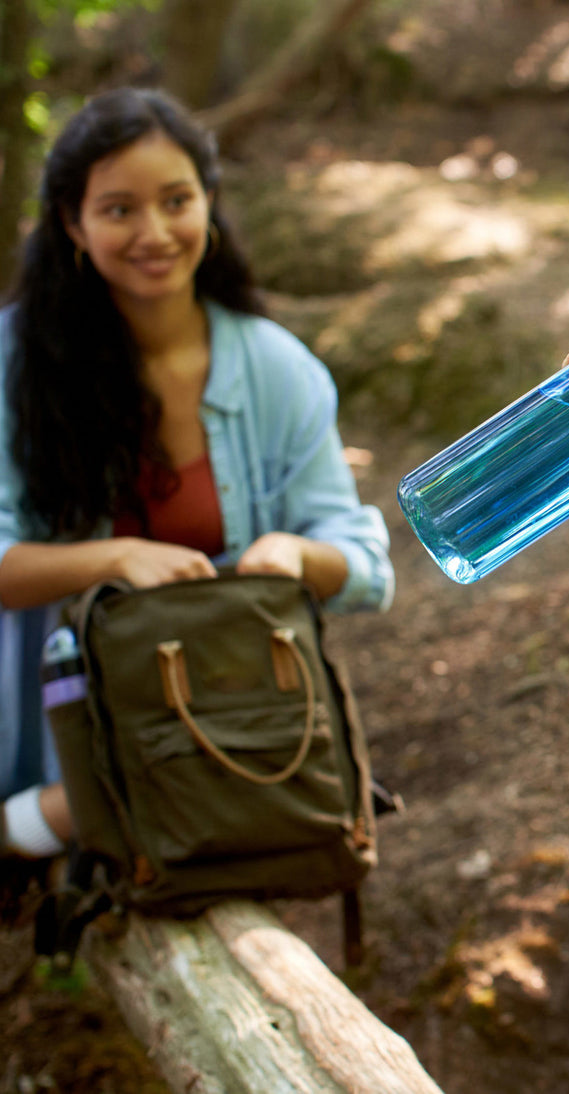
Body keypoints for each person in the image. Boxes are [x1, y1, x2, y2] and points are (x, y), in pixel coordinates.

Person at [0, 87, 394, 863]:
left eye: (176, 200)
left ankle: (51, 821)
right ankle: (47, 818)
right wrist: (115, 559)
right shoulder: (16, 363)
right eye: (118, 210)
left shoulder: (277, 368)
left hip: (225, 712)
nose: (154, 232)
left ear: (209, 204)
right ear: (73, 224)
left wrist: (294, 555)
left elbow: (365, 564)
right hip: (60, 709)